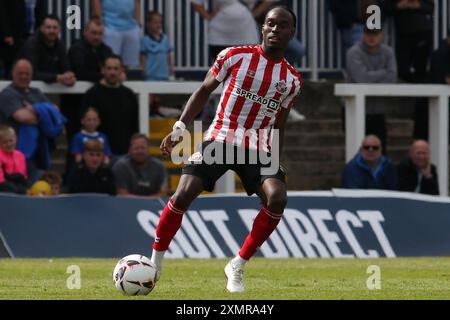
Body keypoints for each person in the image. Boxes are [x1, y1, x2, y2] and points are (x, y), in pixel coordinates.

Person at [151, 7, 302, 293]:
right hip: (221, 137)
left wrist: (277, 159)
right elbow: (204, 91)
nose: (274, 30)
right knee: (183, 194)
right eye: (270, 23)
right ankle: (155, 261)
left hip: (257, 147)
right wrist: (181, 128)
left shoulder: (292, 80)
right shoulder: (235, 55)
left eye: (282, 26)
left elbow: (279, 124)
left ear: (291, 33)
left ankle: (238, 264)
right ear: (262, 28)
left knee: (278, 197)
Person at [346, 27, 397, 152]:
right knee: (356, 150)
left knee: (381, 150)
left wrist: (370, 75)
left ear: (382, 35)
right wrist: (383, 72)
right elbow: (361, 78)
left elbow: (392, 78)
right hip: (355, 110)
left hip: (378, 111)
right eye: (368, 33)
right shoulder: (354, 52)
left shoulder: (388, 52)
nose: (371, 37)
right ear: (363, 34)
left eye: (375, 34)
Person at [0, 59, 49, 183]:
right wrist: (43, 113)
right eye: (20, 73)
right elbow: (22, 117)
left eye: (27, 74)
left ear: (31, 76)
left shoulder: (37, 92)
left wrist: (32, 109)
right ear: (13, 74)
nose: (23, 76)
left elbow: (55, 112)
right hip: (13, 154)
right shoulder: (7, 94)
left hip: (39, 152)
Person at [82, 55, 139, 158]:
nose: (112, 72)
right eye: (109, 68)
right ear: (102, 70)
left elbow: (135, 126)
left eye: (116, 68)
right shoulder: (91, 94)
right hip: (99, 155)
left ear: (121, 70)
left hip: (125, 154)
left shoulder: (129, 95)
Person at [190, 0, 260, 62]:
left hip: (247, 33)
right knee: (222, 69)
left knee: (247, 68)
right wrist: (208, 17)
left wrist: (254, 14)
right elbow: (196, 2)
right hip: (219, 34)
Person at [384, 0, 434, 84]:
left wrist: (418, 5)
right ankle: (408, 92)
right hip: (403, 34)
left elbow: (431, 7)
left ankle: (420, 95)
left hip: (422, 33)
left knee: (420, 68)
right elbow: (386, 9)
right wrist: (399, 6)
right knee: (402, 68)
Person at [19, 14, 76, 86]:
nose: (52, 31)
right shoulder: (32, 43)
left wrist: (70, 75)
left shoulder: (60, 44)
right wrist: (57, 77)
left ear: (59, 29)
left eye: (55, 28)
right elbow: (31, 73)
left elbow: (66, 67)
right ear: (42, 28)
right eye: (48, 27)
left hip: (50, 88)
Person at [140, 11, 175, 118]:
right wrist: (143, 68)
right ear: (148, 24)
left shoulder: (165, 39)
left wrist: (171, 67)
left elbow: (168, 54)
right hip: (151, 73)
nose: (158, 25)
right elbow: (142, 55)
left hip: (163, 73)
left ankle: (156, 113)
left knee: (158, 95)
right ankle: (148, 114)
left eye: (160, 22)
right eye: (155, 22)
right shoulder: (145, 40)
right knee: (150, 95)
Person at [92, 0, 142, 70]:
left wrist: (138, 22)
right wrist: (100, 22)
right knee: (109, 62)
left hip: (131, 27)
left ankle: (125, 80)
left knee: (129, 66)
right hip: (110, 27)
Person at [329, 0, 379, 65]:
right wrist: (348, 22)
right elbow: (334, 4)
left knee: (369, 58)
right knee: (360, 57)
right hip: (355, 24)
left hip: (370, 24)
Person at [0, 126, 28, 194]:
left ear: (15, 139)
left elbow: (23, 175)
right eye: (5, 142)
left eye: (11, 140)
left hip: (17, 183)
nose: (9, 144)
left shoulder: (20, 155)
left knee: (23, 190)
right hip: (3, 184)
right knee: (12, 189)